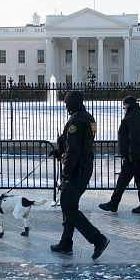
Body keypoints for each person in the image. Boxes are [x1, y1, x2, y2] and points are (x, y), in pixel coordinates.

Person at [50, 90, 110, 260]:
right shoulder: (90, 118)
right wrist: (59, 150)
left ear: (74, 103)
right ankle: (66, 244)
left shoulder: (75, 120)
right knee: (70, 207)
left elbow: (74, 150)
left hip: (76, 170)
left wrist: (66, 175)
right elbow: (82, 142)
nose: (65, 105)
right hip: (85, 167)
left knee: (68, 207)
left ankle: (98, 239)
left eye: (67, 102)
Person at [99, 96, 140, 214]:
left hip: (133, 156)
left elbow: (135, 137)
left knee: (123, 180)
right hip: (139, 154)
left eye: (125, 105)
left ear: (129, 104)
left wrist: (131, 155)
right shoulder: (139, 115)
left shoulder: (134, 116)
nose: (123, 107)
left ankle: (114, 203)